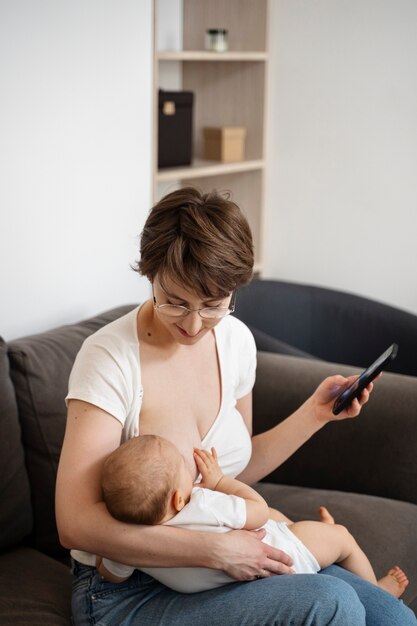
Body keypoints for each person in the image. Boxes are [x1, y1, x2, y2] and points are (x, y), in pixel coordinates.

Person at [56, 187, 417, 626]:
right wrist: (216, 550)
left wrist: (315, 414)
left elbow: (233, 470)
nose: (192, 325)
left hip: (224, 559)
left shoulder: (236, 342)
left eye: (212, 305)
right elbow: (74, 522)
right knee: (331, 602)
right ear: (149, 275)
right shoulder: (109, 358)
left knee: (394, 619)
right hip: (127, 586)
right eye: (174, 302)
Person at [96, 435, 409, 598]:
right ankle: (374, 587)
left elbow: (111, 574)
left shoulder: (134, 545)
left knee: (277, 519)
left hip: (234, 583)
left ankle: (315, 536)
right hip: (286, 557)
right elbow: (256, 510)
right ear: (179, 499)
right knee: (341, 536)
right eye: (183, 470)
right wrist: (219, 483)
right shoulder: (204, 504)